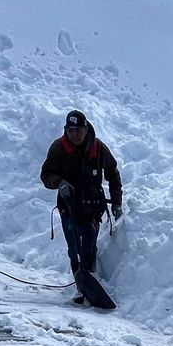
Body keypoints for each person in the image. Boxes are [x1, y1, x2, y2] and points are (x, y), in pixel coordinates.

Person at [40, 109, 122, 309]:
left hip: (93, 208)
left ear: (86, 129)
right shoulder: (58, 148)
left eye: (78, 130)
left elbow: (113, 172)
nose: (74, 134)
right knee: (74, 249)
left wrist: (117, 202)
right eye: (71, 130)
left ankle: (90, 281)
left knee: (89, 248)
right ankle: (80, 286)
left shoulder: (98, 148)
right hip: (69, 207)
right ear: (66, 130)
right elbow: (46, 175)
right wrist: (58, 182)